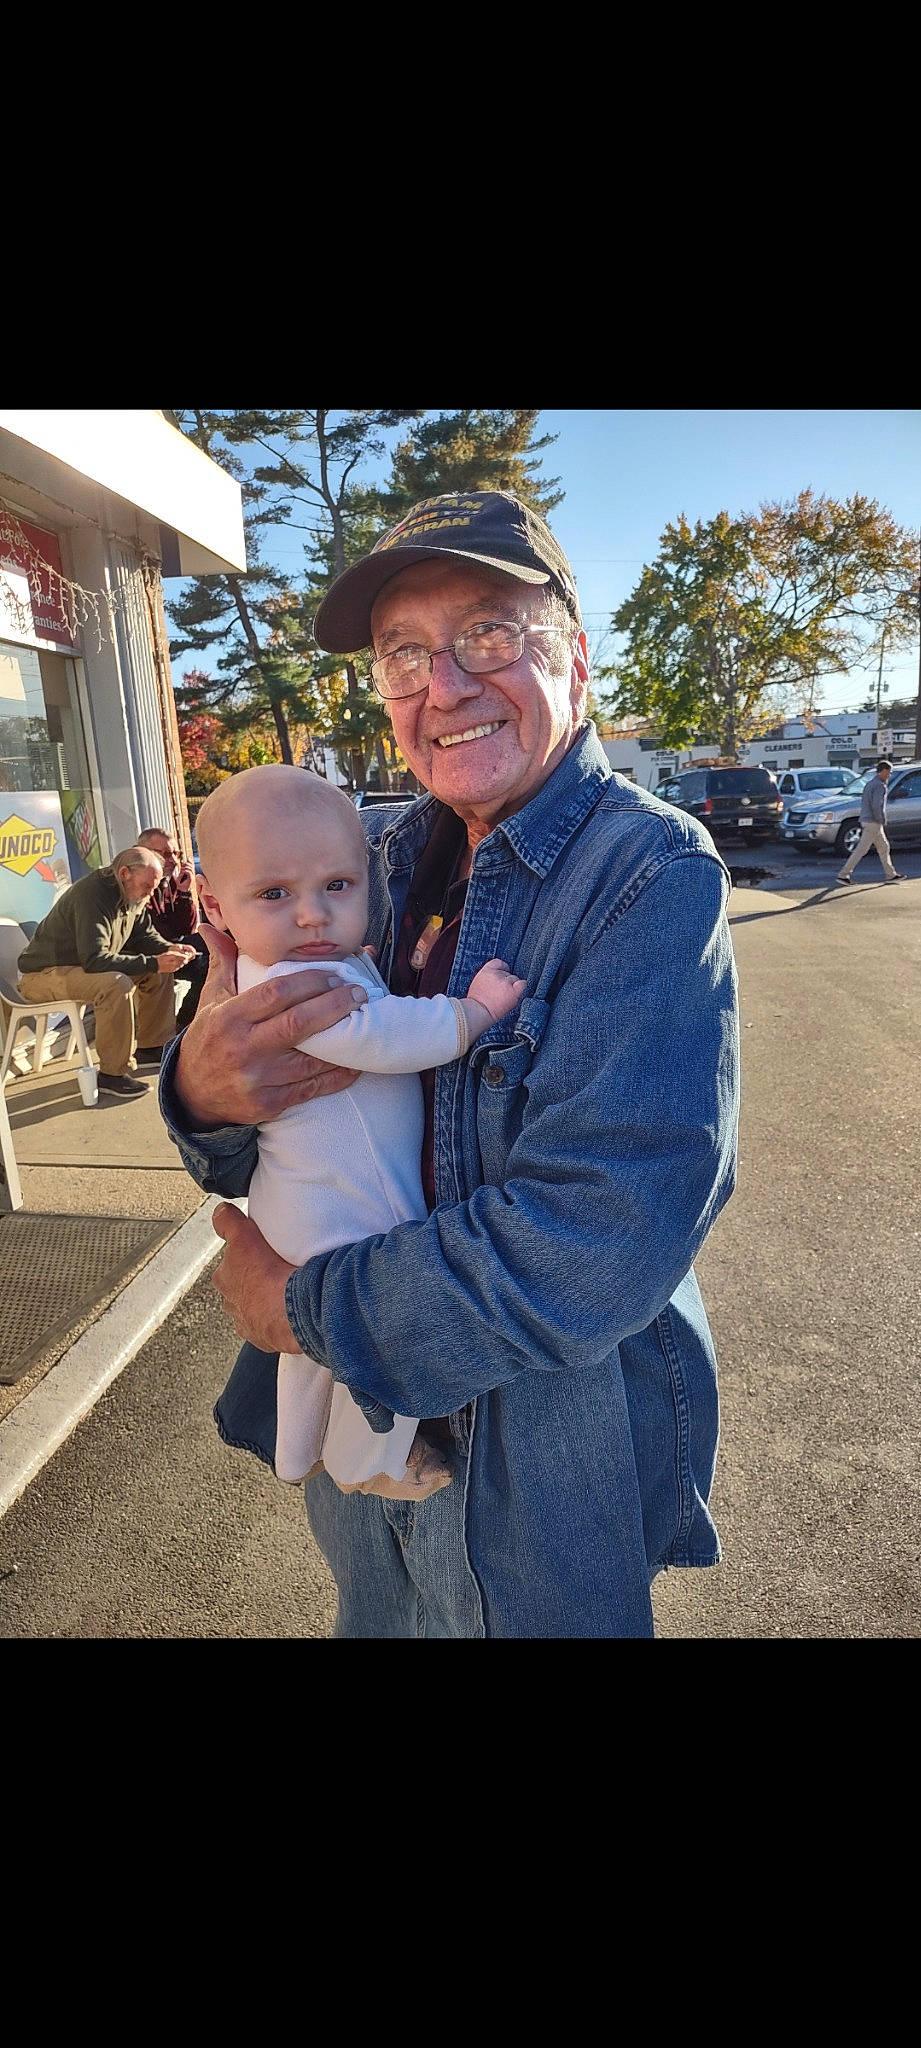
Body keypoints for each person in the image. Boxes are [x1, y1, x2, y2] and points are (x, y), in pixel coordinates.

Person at [160, 489, 741, 1639]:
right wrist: (199, 1094)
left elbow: (595, 1239)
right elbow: (241, 1116)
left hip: (537, 1478)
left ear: (576, 655)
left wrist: (300, 1305)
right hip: (365, 1467)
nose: (445, 686)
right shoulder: (366, 854)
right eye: (405, 654)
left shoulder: (650, 874)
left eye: (487, 633)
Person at [193, 762, 526, 1501]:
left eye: (336, 887)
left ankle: (314, 1454)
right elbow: (380, 1038)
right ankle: (371, 1461)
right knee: (347, 1342)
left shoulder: (307, 964)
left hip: (323, 1191)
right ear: (214, 904)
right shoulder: (285, 988)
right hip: (339, 1202)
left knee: (314, 1355)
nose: (312, 915)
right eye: (274, 894)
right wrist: (470, 1015)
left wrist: (365, 976)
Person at [18, 846, 198, 1097]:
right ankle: (112, 1074)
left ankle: (151, 1048)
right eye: (147, 886)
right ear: (124, 873)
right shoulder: (91, 895)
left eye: (154, 886)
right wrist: (155, 961)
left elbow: (144, 935)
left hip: (81, 967)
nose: (150, 893)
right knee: (116, 983)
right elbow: (95, 960)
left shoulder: (132, 892)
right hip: (43, 974)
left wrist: (169, 949)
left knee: (160, 969)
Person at [135, 826, 209, 1057]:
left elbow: (186, 928)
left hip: (166, 946)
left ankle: (185, 1026)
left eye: (176, 854)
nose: (173, 860)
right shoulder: (138, 884)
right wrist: (176, 945)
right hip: (141, 953)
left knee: (217, 947)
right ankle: (183, 1029)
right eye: (166, 854)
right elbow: (151, 932)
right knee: (206, 966)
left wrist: (184, 892)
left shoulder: (167, 883)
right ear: (142, 852)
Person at [836, 761, 907, 886]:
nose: (889, 775)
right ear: (883, 771)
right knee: (861, 849)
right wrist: (881, 819)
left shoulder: (870, 784)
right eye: (889, 772)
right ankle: (843, 874)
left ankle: (891, 874)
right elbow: (877, 806)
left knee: (884, 847)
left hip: (868, 820)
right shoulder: (880, 786)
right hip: (873, 822)